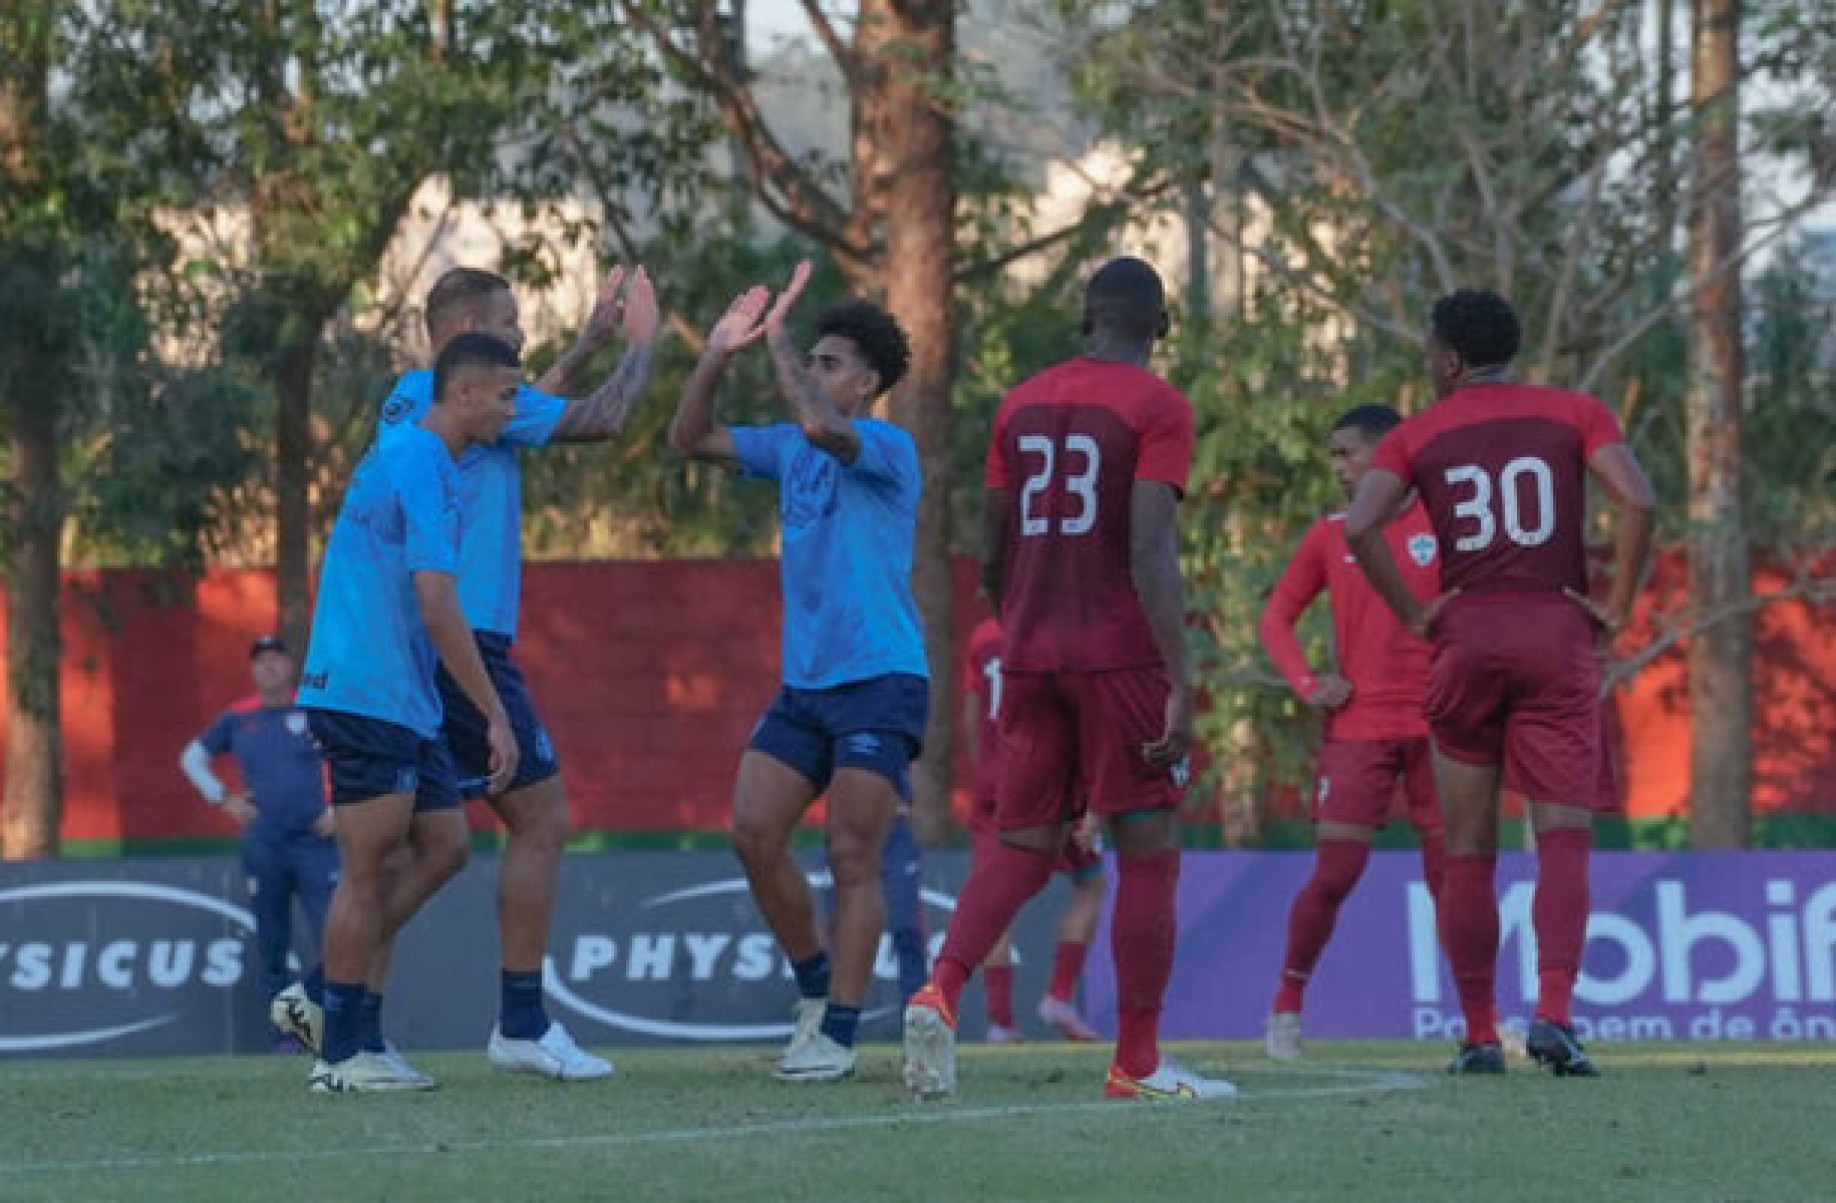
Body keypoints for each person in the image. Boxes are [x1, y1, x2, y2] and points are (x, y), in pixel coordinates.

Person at [273, 264, 657, 1082]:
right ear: (462, 342)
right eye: (511, 323)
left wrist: (587, 343)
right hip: (452, 647)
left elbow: (515, 409)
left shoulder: (440, 414)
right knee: (539, 820)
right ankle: (507, 1020)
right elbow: (597, 421)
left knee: (440, 845)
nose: (523, 335)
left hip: (432, 655)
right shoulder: (421, 420)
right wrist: (643, 347)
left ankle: (336, 1006)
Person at [903, 256, 1235, 1102]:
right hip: (1117, 651)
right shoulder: (1158, 406)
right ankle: (1138, 1060)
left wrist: (1017, 616)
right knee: (1149, 850)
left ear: (1086, 319)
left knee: (1023, 842)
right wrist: (1178, 672)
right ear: (1160, 327)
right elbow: (1149, 545)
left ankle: (940, 986)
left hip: (1030, 651)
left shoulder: (1019, 403)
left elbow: (993, 537)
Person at [1344, 288, 1655, 1077]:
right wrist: (1613, 608)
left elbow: (1357, 525)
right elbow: (1641, 498)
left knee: (1470, 849)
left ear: (1450, 358)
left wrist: (1415, 614)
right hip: (1556, 633)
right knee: (1563, 838)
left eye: (1429, 351)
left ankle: (1480, 1031)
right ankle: (1553, 1013)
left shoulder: (1416, 432)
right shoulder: (1577, 411)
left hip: (1467, 635)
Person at [668, 263, 928, 1083]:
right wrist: (717, 354)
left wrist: (777, 339)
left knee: (853, 854)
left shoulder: (885, 445)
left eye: (830, 362)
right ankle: (817, 988)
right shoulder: (787, 449)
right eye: (811, 358)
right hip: (809, 684)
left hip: (881, 676)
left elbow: (821, 428)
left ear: (868, 381)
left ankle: (841, 1032)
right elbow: (688, 439)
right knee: (751, 831)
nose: (816, 373)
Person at [294, 331, 524, 1092]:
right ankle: (341, 1052)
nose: (512, 408)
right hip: (367, 689)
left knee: (445, 843)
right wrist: (493, 711)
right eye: (505, 394)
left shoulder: (409, 450)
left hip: (404, 697)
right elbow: (435, 598)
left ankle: (331, 999)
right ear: (463, 394)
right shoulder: (425, 460)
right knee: (366, 872)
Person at [1258, 404, 1445, 1061]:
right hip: (1359, 727)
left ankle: (1483, 1021)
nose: (1338, 468)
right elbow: (1276, 618)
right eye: (1333, 456)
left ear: (1388, 453)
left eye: (1348, 453)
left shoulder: (1444, 523)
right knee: (1336, 872)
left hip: (1439, 726)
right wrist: (1310, 684)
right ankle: (1285, 1009)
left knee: (1454, 873)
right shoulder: (1329, 535)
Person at [180, 636, 338, 1054]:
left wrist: (338, 809)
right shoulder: (238, 719)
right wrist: (223, 798)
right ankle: (284, 1036)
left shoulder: (314, 711)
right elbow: (192, 758)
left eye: (276, 660)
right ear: (252, 670)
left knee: (335, 936)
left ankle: (333, 1023)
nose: (268, 668)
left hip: (315, 843)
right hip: (264, 845)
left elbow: (347, 757)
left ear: (290, 668)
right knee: (272, 944)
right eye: (261, 662)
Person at [963, 615, 1105, 1045]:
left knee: (997, 897)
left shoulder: (982, 635)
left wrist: (986, 770)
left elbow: (972, 717)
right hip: (1050, 782)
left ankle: (1001, 1023)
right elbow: (1082, 715)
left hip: (994, 784)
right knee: (1090, 881)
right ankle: (1059, 995)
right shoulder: (1058, 627)